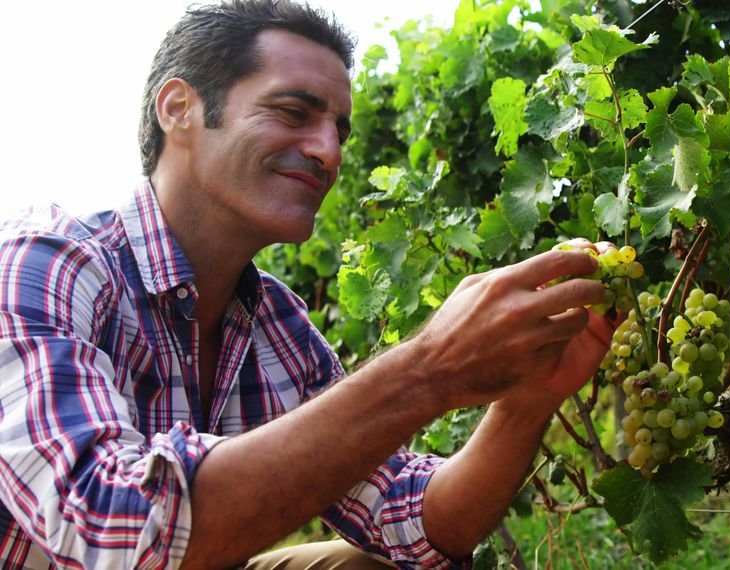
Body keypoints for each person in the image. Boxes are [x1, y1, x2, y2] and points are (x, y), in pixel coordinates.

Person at [0, 1, 616, 568]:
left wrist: (528, 400)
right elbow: (109, 529)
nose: (328, 152)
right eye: (294, 113)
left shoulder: (274, 321)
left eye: (340, 133)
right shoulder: (48, 264)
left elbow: (417, 523)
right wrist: (431, 368)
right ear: (179, 109)